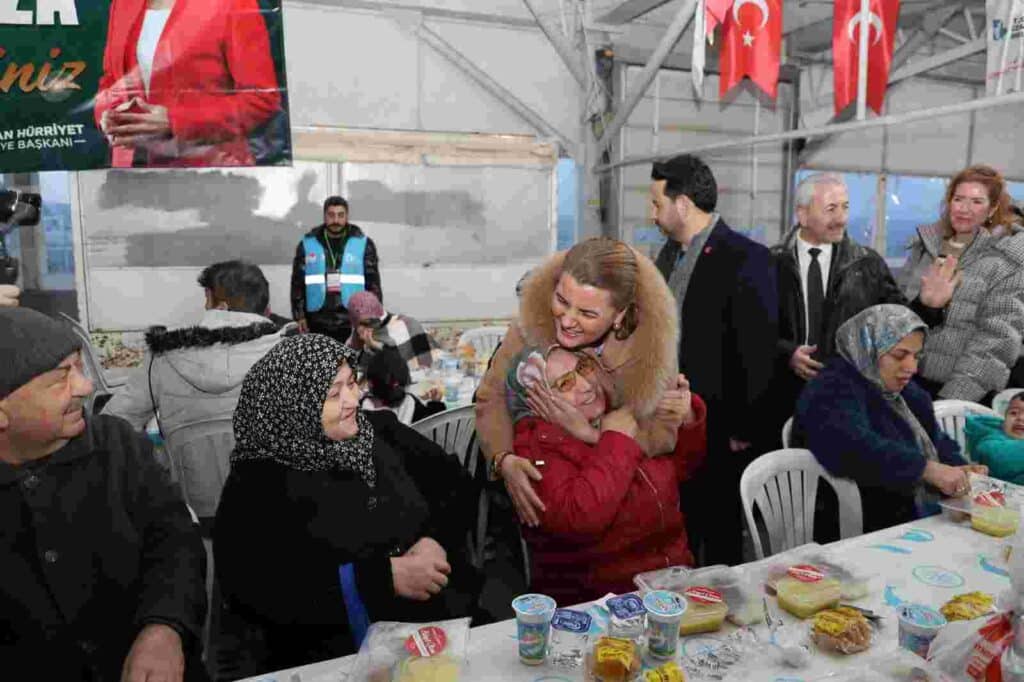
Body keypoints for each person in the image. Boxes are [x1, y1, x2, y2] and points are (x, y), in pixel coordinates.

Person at [215, 335, 480, 671]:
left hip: (435, 632)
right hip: (333, 654)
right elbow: (252, 588)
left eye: (352, 384)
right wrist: (382, 579)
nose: (354, 399)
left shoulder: (380, 434)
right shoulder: (259, 478)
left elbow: (455, 484)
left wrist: (435, 541)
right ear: (296, 404)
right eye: (333, 394)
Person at [0, 307, 209, 681]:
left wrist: (164, 627)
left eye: (79, 368)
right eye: (61, 378)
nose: (85, 387)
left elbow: (175, 540)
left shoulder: (118, 445)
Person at [475, 237, 689, 531]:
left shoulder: (651, 347)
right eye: (562, 301)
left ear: (620, 316)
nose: (566, 321)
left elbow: (661, 435)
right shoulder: (531, 321)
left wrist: (591, 434)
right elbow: (492, 397)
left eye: (587, 313)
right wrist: (503, 459)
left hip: (630, 503)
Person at [650, 153, 778, 565]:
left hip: (722, 424)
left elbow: (758, 351)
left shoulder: (746, 258)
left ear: (682, 204)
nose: (653, 214)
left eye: (657, 203)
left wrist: (745, 426)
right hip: (674, 417)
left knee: (719, 531)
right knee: (680, 521)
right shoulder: (669, 255)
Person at [507, 345, 707, 605]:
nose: (586, 385)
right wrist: (614, 439)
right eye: (565, 383)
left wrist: (685, 415)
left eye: (583, 368)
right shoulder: (535, 448)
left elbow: (682, 468)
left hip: (671, 585)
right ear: (536, 401)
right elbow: (580, 521)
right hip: (603, 607)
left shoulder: (617, 411)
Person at [770, 172, 955, 444]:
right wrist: (787, 352)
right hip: (781, 393)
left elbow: (898, 324)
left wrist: (927, 307)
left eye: (845, 207)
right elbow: (750, 330)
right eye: (831, 209)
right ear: (803, 214)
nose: (842, 218)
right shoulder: (769, 263)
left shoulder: (867, 265)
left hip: (846, 397)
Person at [103, 260, 287, 532]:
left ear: (219, 306)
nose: (204, 308)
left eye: (206, 299)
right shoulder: (290, 354)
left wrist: (158, 465)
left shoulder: (164, 354)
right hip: (276, 514)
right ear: (264, 307)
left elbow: (113, 424)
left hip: (191, 517)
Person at [796, 304, 984, 532]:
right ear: (868, 347)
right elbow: (852, 446)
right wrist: (926, 469)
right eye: (899, 355)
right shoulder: (831, 388)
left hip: (911, 517)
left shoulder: (906, 393)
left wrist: (959, 467)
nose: (911, 367)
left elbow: (933, 438)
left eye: (916, 356)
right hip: (856, 525)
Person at [94, 0, 282, 168]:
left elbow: (262, 98)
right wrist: (108, 117)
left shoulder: (234, 3)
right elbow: (111, 79)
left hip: (208, 172)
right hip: (129, 172)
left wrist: (175, 121)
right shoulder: (122, 4)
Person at [899, 164, 1024, 403]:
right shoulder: (925, 247)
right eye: (959, 199)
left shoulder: (1007, 261)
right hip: (906, 384)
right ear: (949, 202)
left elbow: (996, 343)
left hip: (955, 394)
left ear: (993, 208)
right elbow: (897, 314)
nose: (965, 209)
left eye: (977, 202)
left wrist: (952, 403)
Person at [291, 196, 382, 343]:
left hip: (353, 319)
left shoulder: (363, 243)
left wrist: (372, 318)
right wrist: (299, 315)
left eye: (340, 215)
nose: (336, 220)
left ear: (347, 216)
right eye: (331, 215)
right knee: (321, 364)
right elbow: (297, 282)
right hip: (316, 319)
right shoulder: (307, 244)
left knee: (349, 363)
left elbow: (373, 283)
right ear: (324, 216)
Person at [346, 290, 437, 372]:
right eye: (361, 323)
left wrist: (376, 346)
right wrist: (368, 347)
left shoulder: (408, 324)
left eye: (371, 321)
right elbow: (354, 370)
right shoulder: (357, 336)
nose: (369, 327)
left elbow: (427, 364)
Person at [361, 347, 446, 425]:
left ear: (370, 383)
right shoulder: (409, 402)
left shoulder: (361, 409)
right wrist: (436, 402)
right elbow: (434, 423)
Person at [965, 391, 1024, 484]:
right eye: (1014, 413)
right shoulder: (991, 439)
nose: (1020, 418)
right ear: (1004, 417)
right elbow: (999, 459)